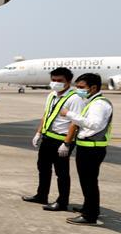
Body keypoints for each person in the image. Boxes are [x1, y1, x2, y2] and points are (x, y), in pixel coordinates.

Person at [22, 67, 84, 212]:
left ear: (68, 81)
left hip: (62, 141)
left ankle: (62, 202)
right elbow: (46, 114)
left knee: (61, 172)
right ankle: (41, 195)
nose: (55, 83)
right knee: (43, 168)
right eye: (53, 80)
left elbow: (75, 123)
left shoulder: (75, 98)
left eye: (59, 81)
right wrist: (38, 133)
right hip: (48, 138)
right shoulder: (51, 95)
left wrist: (67, 143)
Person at [60, 73, 113, 225]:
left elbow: (95, 125)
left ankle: (90, 215)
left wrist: (69, 114)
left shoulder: (99, 104)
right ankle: (89, 207)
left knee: (89, 182)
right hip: (88, 147)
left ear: (94, 87)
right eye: (77, 87)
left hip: (92, 149)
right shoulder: (92, 102)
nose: (78, 90)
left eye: (82, 87)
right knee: (87, 181)